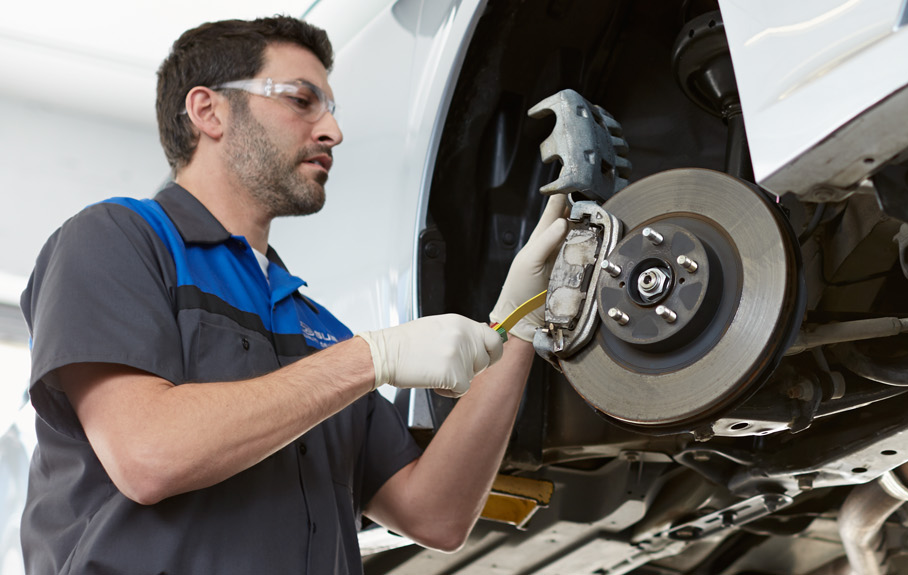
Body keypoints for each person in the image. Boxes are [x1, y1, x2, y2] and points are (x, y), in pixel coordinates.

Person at [19, 16, 568, 573]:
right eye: (302, 100)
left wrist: (518, 322)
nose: (332, 131)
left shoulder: (318, 329)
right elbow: (148, 455)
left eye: (329, 108)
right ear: (208, 111)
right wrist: (371, 359)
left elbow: (436, 515)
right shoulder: (116, 240)